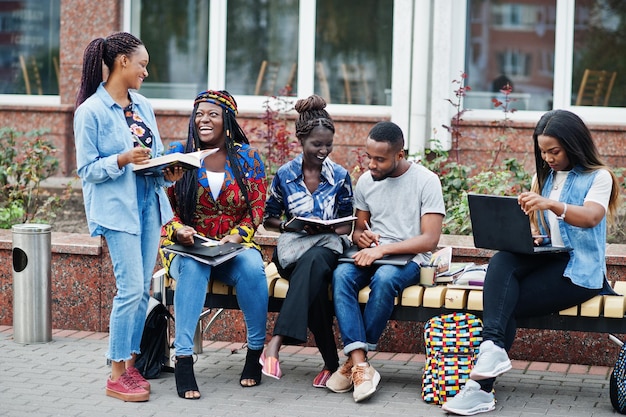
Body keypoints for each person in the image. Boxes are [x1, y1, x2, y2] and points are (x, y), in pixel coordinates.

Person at [441, 109, 622, 416]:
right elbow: (545, 229)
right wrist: (533, 237)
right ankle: (491, 353)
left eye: (555, 151)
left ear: (574, 145)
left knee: (502, 303)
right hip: (550, 259)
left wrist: (551, 203)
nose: (549, 158)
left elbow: (591, 217)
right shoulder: (545, 177)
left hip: (580, 272)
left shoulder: (598, 177)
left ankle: (479, 388)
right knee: (503, 260)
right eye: (543, 152)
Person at [74, 32, 180, 402]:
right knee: (131, 289)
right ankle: (116, 372)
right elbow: (86, 169)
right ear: (122, 62)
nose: (145, 72)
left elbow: (154, 153)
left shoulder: (143, 105)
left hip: (149, 205)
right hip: (117, 211)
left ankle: (130, 366)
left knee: (140, 293)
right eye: (143, 64)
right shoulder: (90, 111)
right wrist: (120, 159)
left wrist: (168, 170)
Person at [326, 121, 445, 402]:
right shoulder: (367, 182)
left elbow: (429, 240)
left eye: (380, 159)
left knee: (385, 279)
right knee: (341, 275)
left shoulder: (426, 181)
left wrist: (383, 250)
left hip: (410, 259)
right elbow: (359, 227)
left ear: (399, 155)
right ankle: (361, 364)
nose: (372, 165)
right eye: (369, 157)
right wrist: (361, 238)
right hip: (373, 254)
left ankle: (354, 362)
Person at [160, 90, 268, 399]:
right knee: (193, 268)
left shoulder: (247, 157)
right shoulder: (178, 154)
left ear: (227, 121)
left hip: (230, 248)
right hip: (187, 248)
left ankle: (254, 354)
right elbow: (162, 206)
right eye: (199, 114)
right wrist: (179, 230)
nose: (204, 120)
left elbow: (256, 209)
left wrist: (238, 235)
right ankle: (183, 359)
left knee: (252, 267)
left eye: (213, 115)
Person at [262, 94, 354, 388]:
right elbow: (268, 217)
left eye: (328, 144)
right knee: (311, 283)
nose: (324, 150)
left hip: (327, 250)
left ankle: (275, 344)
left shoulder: (340, 176)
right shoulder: (285, 175)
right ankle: (331, 364)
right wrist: (289, 224)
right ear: (301, 141)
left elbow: (346, 220)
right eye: (317, 144)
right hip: (293, 251)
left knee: (315, 262)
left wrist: (333, 227)